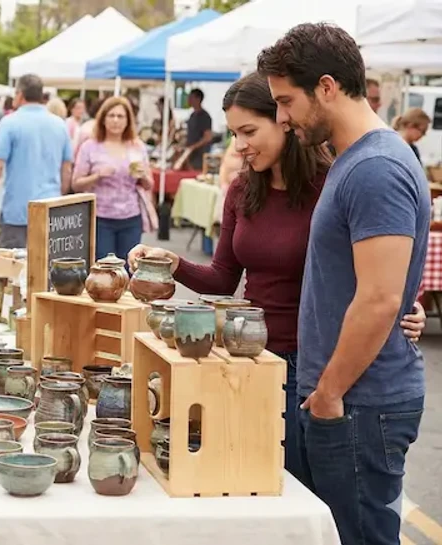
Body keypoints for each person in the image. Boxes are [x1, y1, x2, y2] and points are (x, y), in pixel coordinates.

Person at [127, 71, 426, 487]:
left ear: (283, 119)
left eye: (249, 131)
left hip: (316, 371)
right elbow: (222, 278)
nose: (239, 146)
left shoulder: (334, 184)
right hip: (253, 362)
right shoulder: (241, 191)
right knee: (261, 491)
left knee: (323, 500)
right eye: (233, 134)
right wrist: (172, 262)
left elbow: (376, 279)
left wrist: (406, 313)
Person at [258, 23, 429, 545]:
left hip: (359, 402)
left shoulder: (374, 166)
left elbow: (379, 299)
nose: (282, 118)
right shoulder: (354, 160)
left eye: (287, 102)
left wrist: (330, 393)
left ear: (327, 87)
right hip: (347, 400)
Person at [0, 74, 73, 249]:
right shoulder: (59, 125)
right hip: (50, 211)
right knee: (46, 271)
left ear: (19, 94)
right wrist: (61, 198)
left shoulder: (10, 123)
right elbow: (66, 169)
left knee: (11, 270)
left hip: (17, 211)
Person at [73, 97, 152, 262]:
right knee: (105, 270)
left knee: (130, 268)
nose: (116, 120)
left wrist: (143, 175)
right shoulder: (90, 146)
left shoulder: (137, 146)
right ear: (103, 119)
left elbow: (149, 184)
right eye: (111, 115)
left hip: (131, 218)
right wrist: (97, 176)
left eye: (120, 116)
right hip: (101, 218)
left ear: (128, 120)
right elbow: (76, 184)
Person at [182, 88, 213, 171]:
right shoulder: (192, 115)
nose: (189, 100)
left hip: (199, 156)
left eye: (191, 97)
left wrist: (193, 147)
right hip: (190, 155)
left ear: (198, 99)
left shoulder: (205, 117)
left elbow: (208, 137)